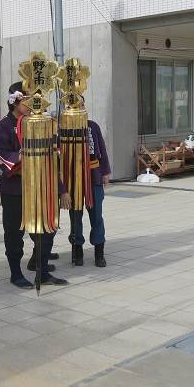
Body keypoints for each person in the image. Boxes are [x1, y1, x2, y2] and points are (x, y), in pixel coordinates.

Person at [0, 82, 68, 289]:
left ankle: (41, 271)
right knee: (14, 233)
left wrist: (62, 189)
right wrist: (23, 156)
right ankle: (15, 273)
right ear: (15, 100)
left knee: (47, 230)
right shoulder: (3, 125)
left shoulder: (42, 123)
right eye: (26, 98)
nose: (32, 103)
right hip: (15, 189)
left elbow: (53, 157)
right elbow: (0, 153)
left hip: (42, 187)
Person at [69, 106, 111, 268]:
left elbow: (102, 149)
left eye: (80, 106)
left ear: (84, 108)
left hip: (94, 175)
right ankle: (77, 249)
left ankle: (99, 252)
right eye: (72, 106)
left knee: (96, 215)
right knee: (75, 215)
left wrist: (105, 171)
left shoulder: (93, 126)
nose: (77, 109)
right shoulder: (64, 128)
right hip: (73, 179)